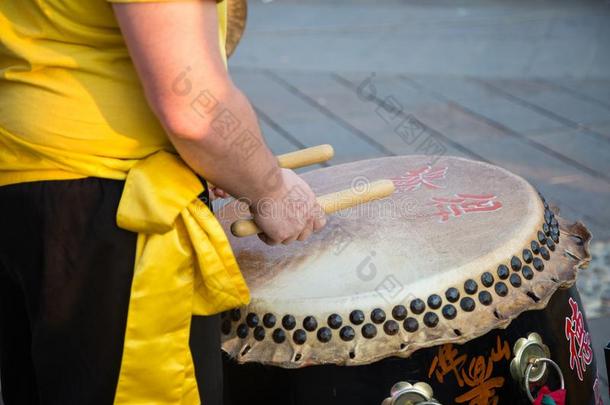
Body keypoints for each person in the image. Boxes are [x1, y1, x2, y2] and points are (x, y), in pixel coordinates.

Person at [0, 0, 326, 404]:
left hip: (20, 178)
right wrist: (271, 189)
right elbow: (194, 107)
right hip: (115, 205)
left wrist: (225, 164)